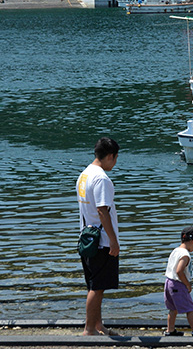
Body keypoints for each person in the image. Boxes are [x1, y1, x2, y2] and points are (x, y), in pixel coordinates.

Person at [76, 137, 121, 336]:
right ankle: (89, 330)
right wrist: (113, 240)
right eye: (116, 158)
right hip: (101, 241)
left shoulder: (84, 175)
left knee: (95, 285)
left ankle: (97, 325)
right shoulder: (101, 178)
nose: (115, 163)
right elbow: (102, 211)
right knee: (97, 287)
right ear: (110, 156)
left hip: (86, 238)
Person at [163, 227, 193, 337]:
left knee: (172, 309)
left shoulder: (175, 250)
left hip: (168, 283)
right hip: (178, 284)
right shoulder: (185, 255)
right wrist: (187, 284)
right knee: (190, 308)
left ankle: (170, 331)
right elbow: (179, 271)